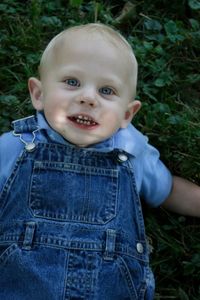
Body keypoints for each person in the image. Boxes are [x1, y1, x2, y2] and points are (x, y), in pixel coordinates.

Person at [0, 23, 199, 300]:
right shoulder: (16, 146)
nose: (88, 98)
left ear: (127, 114)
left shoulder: (131, 152)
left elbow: (169, 190)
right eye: (72, 82)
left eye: (106, 91)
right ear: (39, 94)